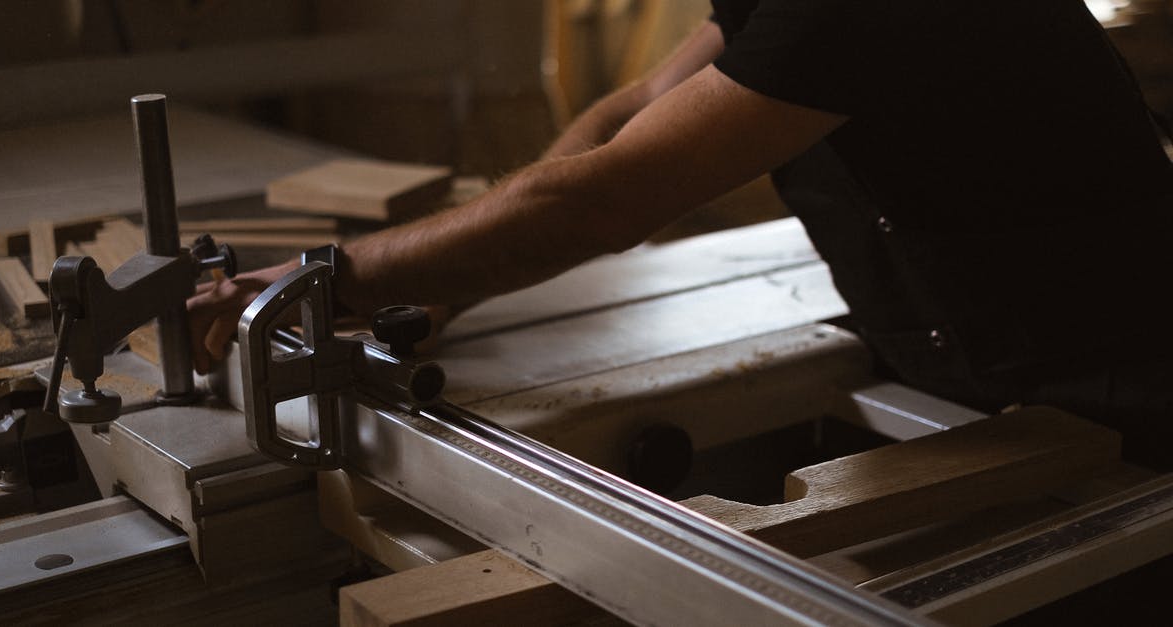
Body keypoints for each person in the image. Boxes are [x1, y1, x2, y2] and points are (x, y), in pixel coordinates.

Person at [189, 1, 1173, 467]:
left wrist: (330, 277)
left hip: (1108, 399)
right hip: (963, 376)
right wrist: (445, 286)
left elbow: (610, 199)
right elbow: (629, 116)